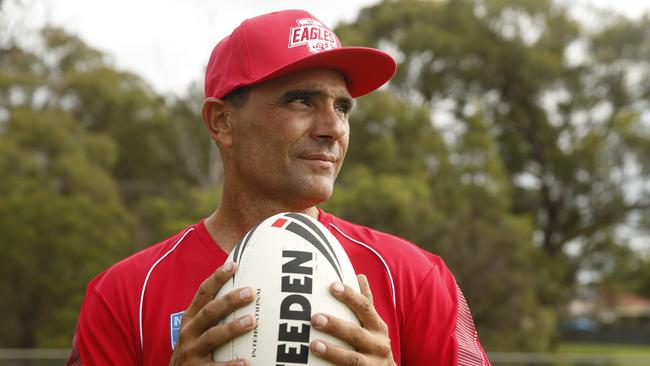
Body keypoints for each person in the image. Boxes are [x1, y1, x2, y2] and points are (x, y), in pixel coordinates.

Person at [66, 9, 491, 366]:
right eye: (301, 101)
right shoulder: (123, 295)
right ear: (222, 122)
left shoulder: (415, 278)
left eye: (342, 107)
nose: (332, 129)